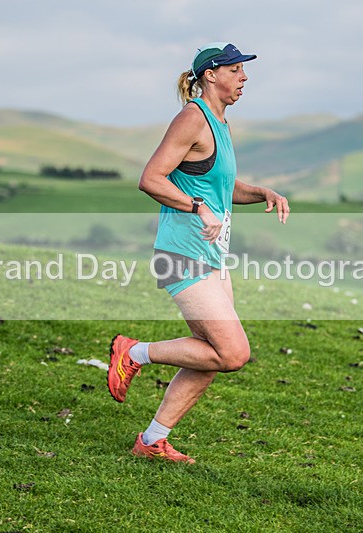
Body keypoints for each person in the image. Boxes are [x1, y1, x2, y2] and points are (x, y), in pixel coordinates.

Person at [107, 42, 290, 464]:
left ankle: (151, 441)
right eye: (236, 70)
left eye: (245, 71)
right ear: (211, 74)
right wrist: (195, 207)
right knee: (233, 353)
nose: (244, 78)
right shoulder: (192, 118)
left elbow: (220, 187)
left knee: (209, 356)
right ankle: (132, 352)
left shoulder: (220, 123)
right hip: (183, 252)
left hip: (213, 256)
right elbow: (151, 178)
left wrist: (260, 191)